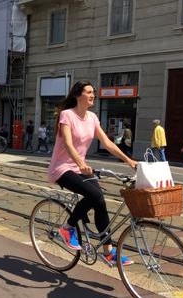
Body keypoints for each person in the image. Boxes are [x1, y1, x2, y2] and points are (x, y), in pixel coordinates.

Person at [48, 80, 138, 266]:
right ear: (77, 95)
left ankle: (108, 252)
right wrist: (81, 163)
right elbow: (67, 143)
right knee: (94, 194)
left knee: (100, 200)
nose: (92, 95)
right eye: (88, 92)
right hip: (63, 168)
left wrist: (129, 161)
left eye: (93, 92)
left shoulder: (93, 118)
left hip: (80, 168)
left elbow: (107, 143)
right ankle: (68, 228)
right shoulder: (67, 115)